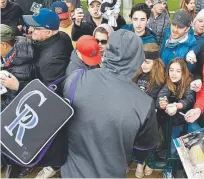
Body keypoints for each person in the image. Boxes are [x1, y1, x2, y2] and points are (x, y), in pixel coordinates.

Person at [61, 29, 159, 178]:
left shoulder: (75, 79)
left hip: (71, 172)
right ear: (137, 59)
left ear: (107, 52)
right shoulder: (144, 103)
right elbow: (143, 148)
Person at [22, 8, 73, 178]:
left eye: (36, 28)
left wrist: (17, 85)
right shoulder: (62, 36)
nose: (30, 30)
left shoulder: (49, 62)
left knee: (53, 138)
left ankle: (54, 165)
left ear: (49, 32)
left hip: (53, 107)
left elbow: (45, 96)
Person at [0, 24, 35, 178]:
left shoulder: (21, 65)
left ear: (3, 44)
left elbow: (16, 103)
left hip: (18, 116)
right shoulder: (11, 51)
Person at [132, 43, 165, 177]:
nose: (143, 65)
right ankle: (140, 162)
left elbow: (155, 98)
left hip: (152, 117)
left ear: (155, 63)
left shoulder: (159, 78)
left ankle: (147, 162)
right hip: (135, 114)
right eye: (141, 61)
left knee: (151, 140)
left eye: (147, 62)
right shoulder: (137, 73)